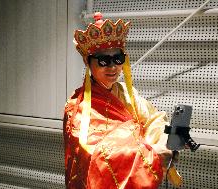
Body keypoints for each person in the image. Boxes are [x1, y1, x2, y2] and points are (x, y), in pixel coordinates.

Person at [63, 12, 181, 189]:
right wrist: (151, 155)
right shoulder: (77, 106)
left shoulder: (127, 92)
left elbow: (153, 119)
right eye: (103, 61)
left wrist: (166, 140)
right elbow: (94, 155)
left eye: (118, 59)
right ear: (88, 63)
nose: (112, 67)